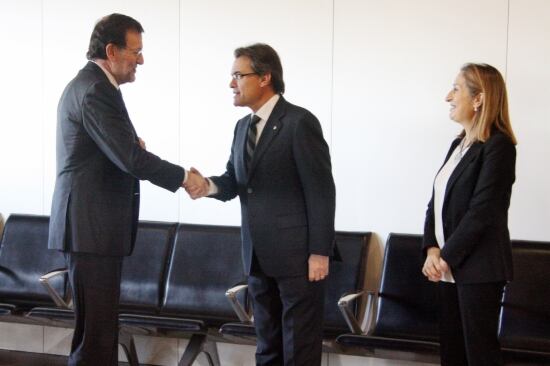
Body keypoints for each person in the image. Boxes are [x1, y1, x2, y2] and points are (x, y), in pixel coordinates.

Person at [48, 13, 201, 365]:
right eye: (136, 52)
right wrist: (183, 177)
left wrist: (130, 149)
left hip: (92, 229)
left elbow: (114, 152)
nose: (141, 60)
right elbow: (130, 159)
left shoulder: (93, 87)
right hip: (91, 229)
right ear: (112, 50)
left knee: (97, 333)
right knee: (96, 338)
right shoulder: (95, 90)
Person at [186, 43, 336, 365]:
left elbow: (321, 190)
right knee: (267, 344)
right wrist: (207, 185)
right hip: (256, 256)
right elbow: (235, 181)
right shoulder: (243, 127)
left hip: (299, 259)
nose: (231, 84)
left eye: (238, 75)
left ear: (265, 77)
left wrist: (319, 252)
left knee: (299, 348)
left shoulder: (299, 122)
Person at [421, 63, 517, 366]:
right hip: (448, 266)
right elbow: (436, 204)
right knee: (452, 354)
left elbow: (483, 211)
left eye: (456, 88)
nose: (448, 96)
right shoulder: (458, 144)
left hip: (479, 269)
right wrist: (432, 250)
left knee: (479, 355)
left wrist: (446, 255)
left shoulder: (499, 146)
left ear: (479, 99)